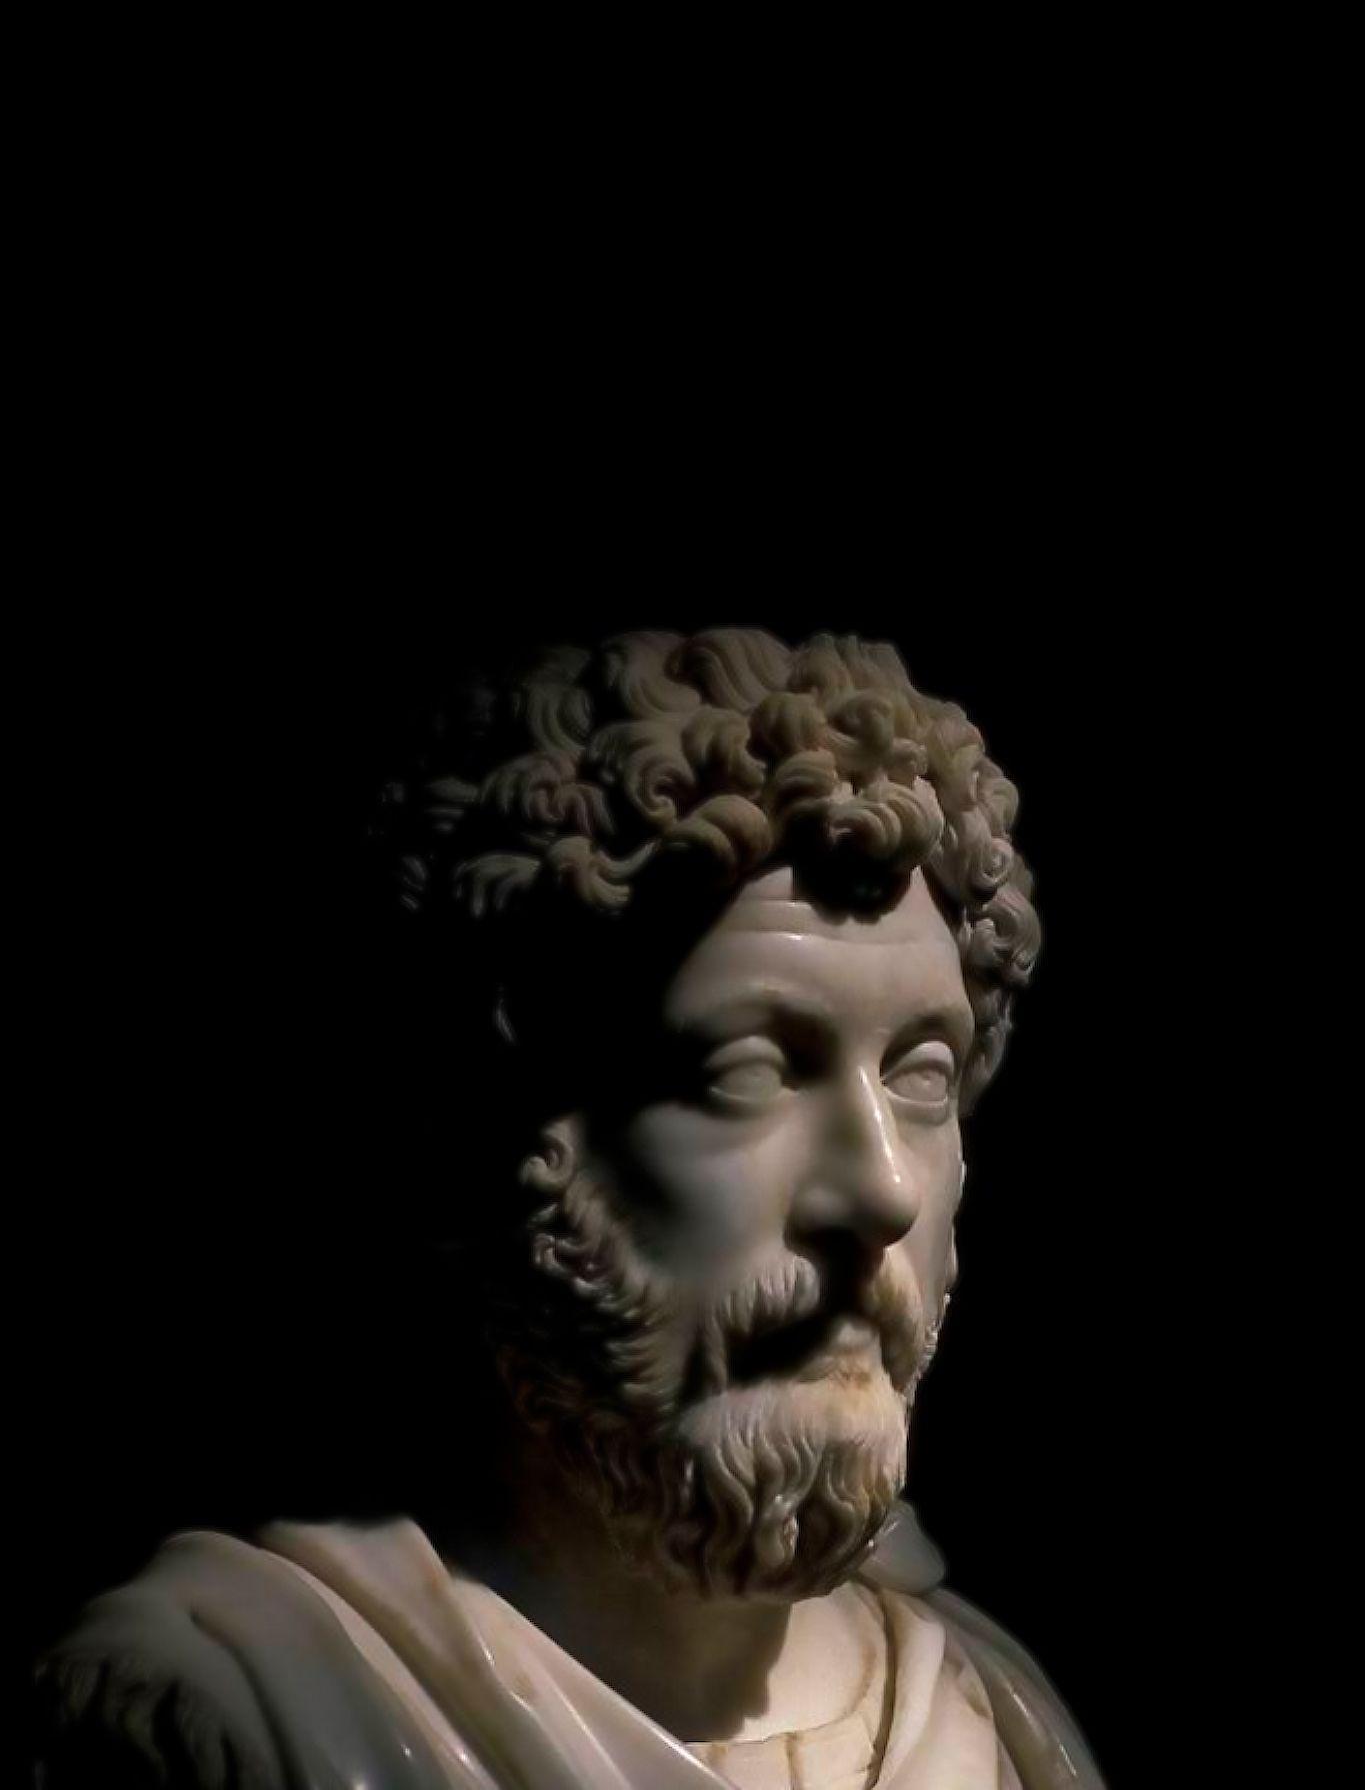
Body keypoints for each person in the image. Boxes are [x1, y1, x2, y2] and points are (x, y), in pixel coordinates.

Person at [34, 627, 1105, 1788]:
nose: (882, 1188)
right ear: (488, 1133)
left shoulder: (999, 1726)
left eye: (922, 1077)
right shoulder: (241, 1718)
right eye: (748, 1070)